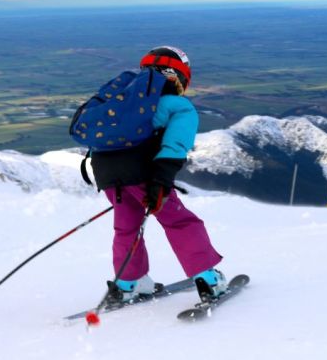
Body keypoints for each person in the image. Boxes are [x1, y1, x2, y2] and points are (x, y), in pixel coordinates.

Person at [90, 46, 226, 302]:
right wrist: (161, 180)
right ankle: (209, 280)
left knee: (126, 228)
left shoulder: (120, 103)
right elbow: (174, 146)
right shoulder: (178, 106)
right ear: (180, 78)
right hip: (144, 175)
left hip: (108, 174)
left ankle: (129, 283)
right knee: (180, 221)